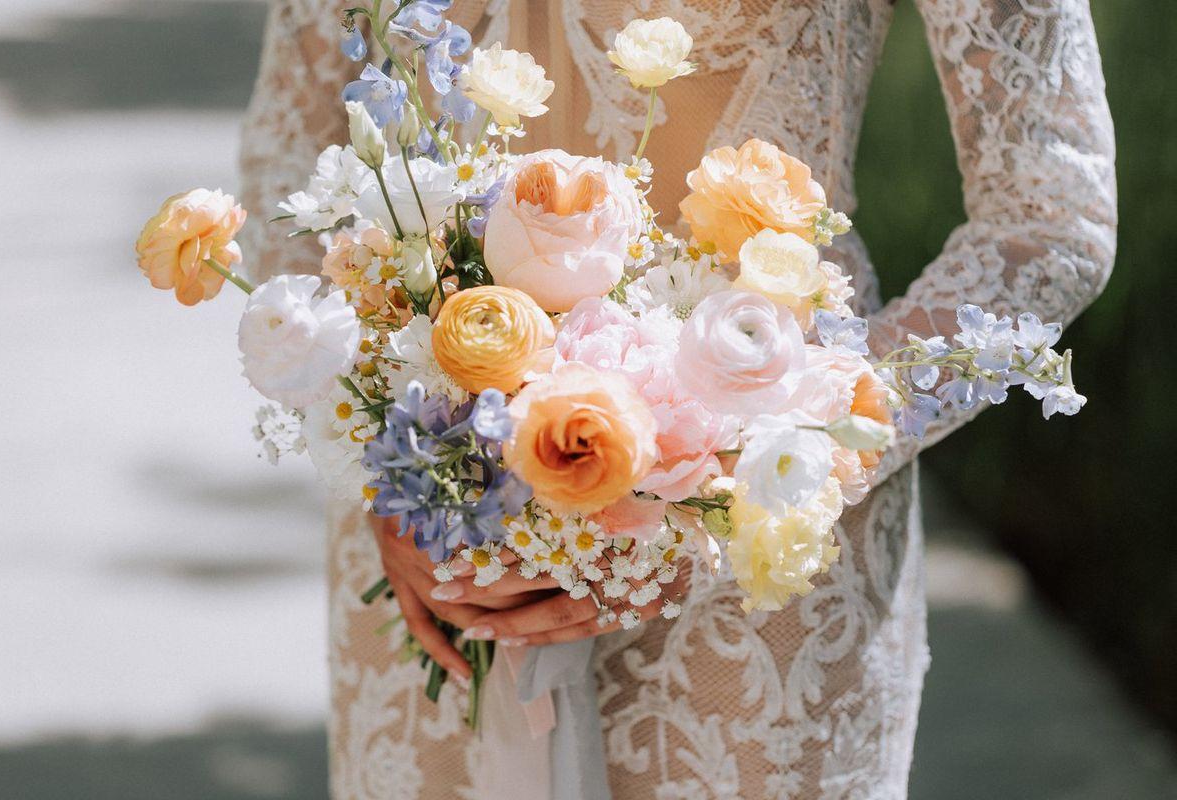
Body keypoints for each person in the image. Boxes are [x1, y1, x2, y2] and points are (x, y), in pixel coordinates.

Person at [239, 1, 1116, 797]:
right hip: (439, 561)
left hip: (763, 576)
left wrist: (749, 478)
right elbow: (289, 165)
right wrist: (388, 467)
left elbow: (1048, 219)